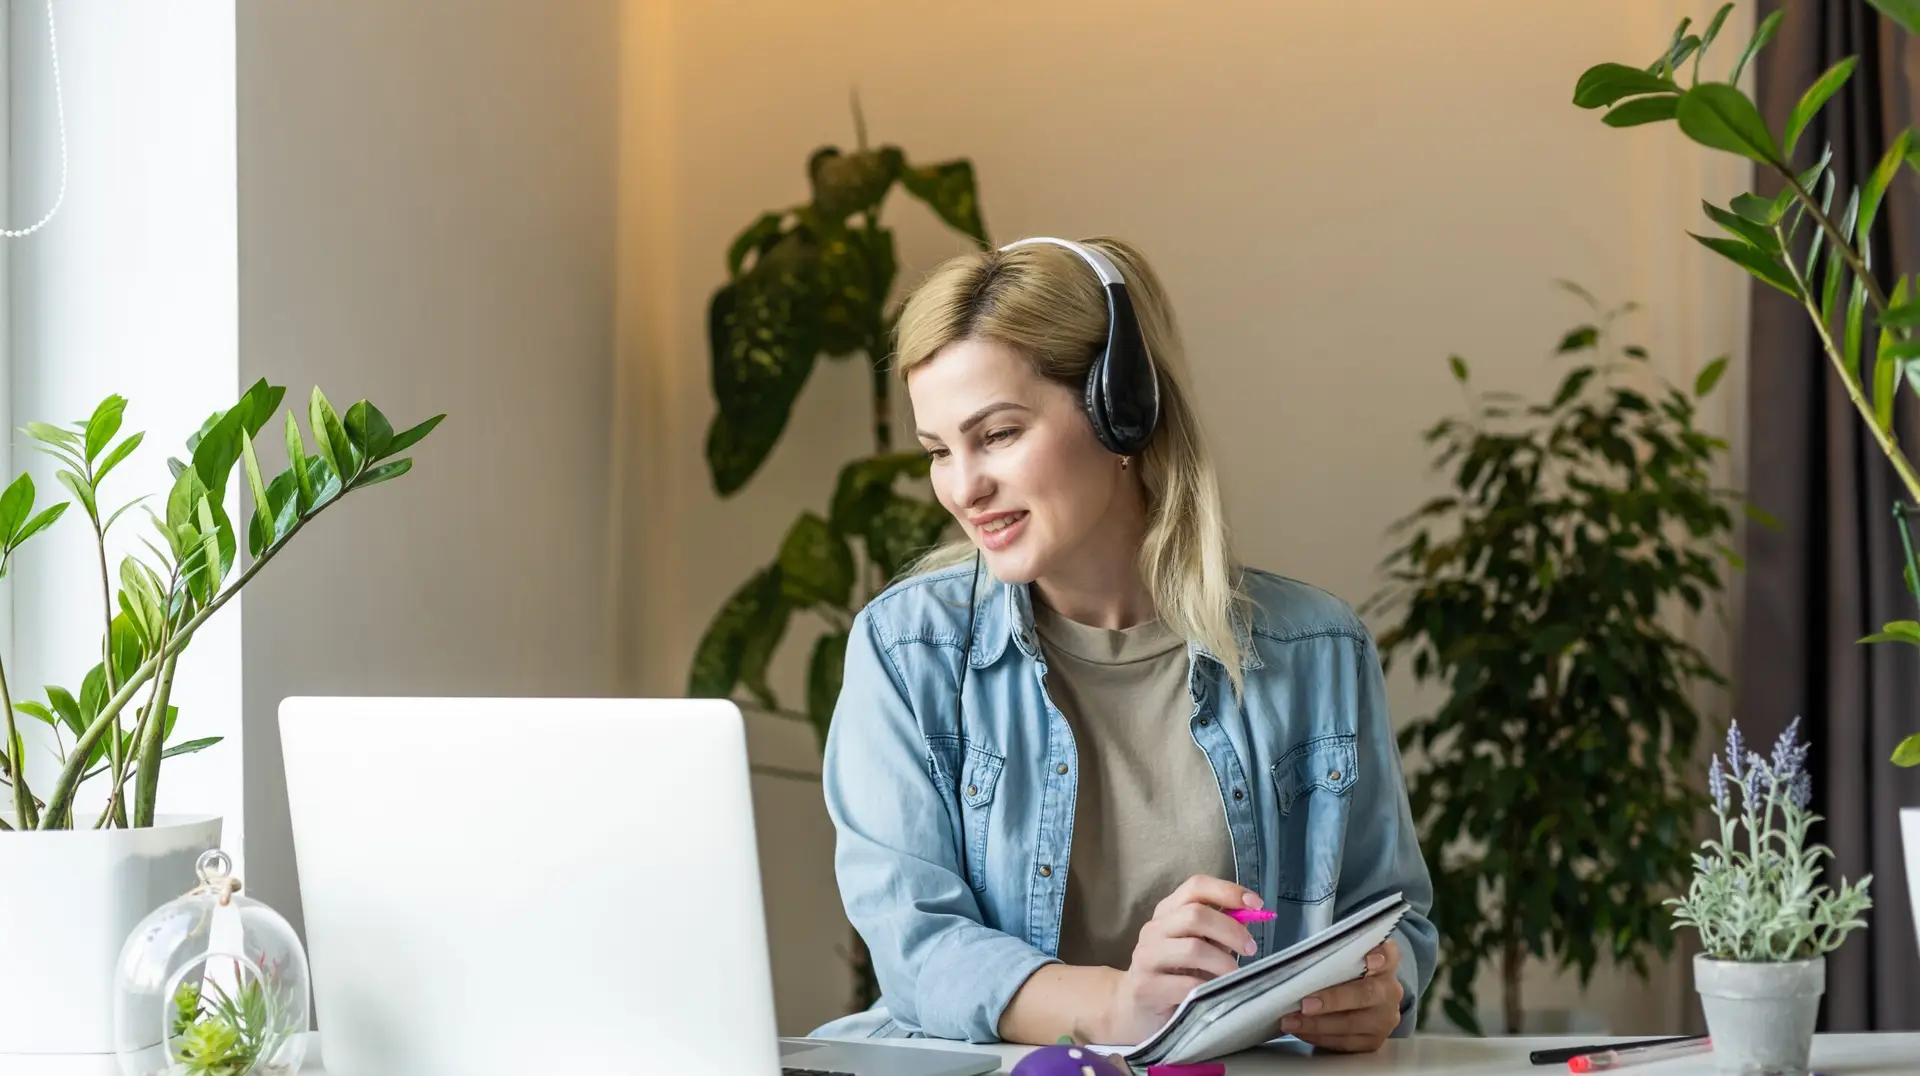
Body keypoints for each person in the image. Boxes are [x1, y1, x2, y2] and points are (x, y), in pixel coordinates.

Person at [811, 235, 1436, 1053]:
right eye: (939, 451)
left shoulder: (1317, 650)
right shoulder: (906, 650)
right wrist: (1116, 1007)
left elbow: (1395, 922)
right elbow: (917, 948)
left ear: (1123, 413)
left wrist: (1381, 990)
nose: (963, 488)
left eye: (996, 434)